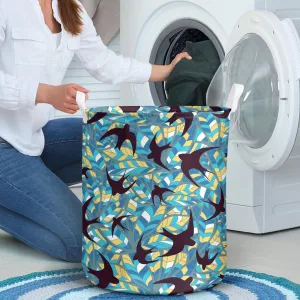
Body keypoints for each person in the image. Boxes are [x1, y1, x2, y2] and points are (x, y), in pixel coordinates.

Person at [0, 0, 192, 263]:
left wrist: (166, 72)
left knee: (120, 139)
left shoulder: (70, 8)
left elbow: (104, 63)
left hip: (33, 138)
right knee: (83, 244)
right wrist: (46, 93)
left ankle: (28, 192)